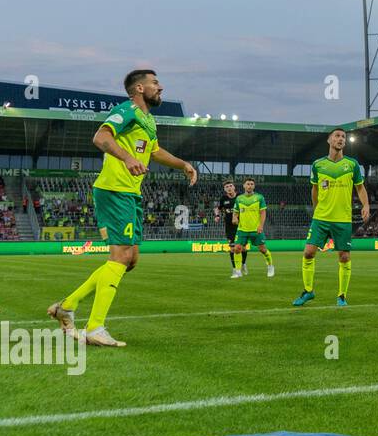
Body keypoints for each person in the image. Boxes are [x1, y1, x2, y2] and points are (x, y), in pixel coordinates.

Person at [47, 69, 197, 346]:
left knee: (130, 261)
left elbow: (154, 151)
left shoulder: (147, 120)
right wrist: (127, 158)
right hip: (114, 189)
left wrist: (182, 163)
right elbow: (101, 138)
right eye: (155, 83)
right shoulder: (126, 110)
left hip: (131, 194)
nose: (160, 87)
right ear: (139, 88)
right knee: (120, 257)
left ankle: (67, 306)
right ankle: (94, 327)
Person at [295, 128, 369, 307]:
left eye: (343, 137)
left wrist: (366, 205)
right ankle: (308, 291)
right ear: (329, 140)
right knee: (308, 252)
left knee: (344, 257)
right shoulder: (318, 164)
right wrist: (315, 208)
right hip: (321, 217)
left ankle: (342, 296)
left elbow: (360, 187)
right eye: (337, 136)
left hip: (343, 219)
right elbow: (314, 189)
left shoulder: (352, 164)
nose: (341, 139)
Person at [231, 177, 275, 279]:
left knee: (263, 249)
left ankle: (270, 266)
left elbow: (263, 212)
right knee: (237, 249)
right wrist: (234, 218)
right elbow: (236, 211)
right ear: (244, 185)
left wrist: (261, 226)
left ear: (254, 186)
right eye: (248, 184)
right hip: (242, 229)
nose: (249, 186)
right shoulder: (239, 198)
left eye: (251, 184)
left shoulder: (259, 197)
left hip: (256, 229)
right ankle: (238, 271)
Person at [216, 179, 239, 274]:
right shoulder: (223, 199)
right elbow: (217, 208)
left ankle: (244, 264)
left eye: (230, 186)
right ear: (224, 189)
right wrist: (217, 215)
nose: (229, 188)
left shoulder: (240, 197)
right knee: (232, 248)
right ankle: (235, 269)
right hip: (229, 226)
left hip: (241, 225)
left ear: (234, 187)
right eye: (226, 187)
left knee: (242, 248)